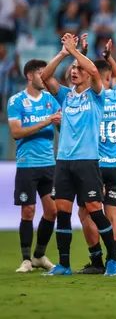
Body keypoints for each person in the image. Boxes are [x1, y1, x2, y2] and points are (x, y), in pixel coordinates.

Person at [41, 33, 116, 276]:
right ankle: (64, 264)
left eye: (78, 68)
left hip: (87, 161)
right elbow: (45, 77)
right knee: (63, 213)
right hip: (64, 162)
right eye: (72, 69)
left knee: (95, 210)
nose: (74, 71)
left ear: (87, 73)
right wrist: (65, 53)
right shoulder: (66, 96)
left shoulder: (97, 95)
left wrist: (76, 52)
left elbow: (96, 73)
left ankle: (113, 258)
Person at [76, 39, 116, 274]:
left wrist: (82, 54)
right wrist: (110, 57)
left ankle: (97, 258)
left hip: (94, 165)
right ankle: (113, 260)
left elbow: (85, 81)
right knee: (113, 215)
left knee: (85, 212)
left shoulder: (92, 98)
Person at [8, 59, 61, 273]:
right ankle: (26, 259)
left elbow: (61, 126)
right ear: (30, 76)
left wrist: (61, 124)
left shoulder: (51, 100)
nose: (45, 76)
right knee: (28, 211)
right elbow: (16, 132)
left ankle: (39, 255)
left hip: (49, 164)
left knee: (52, 211)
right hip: (27, 164)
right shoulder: (17, 101)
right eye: (42, 73)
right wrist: (46, 122)